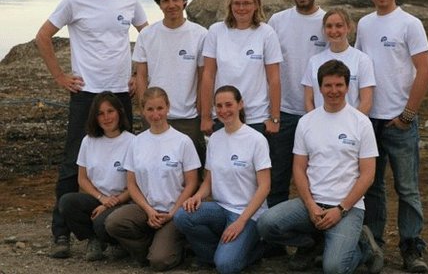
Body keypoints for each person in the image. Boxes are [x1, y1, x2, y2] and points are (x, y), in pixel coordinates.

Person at [35, 0, 148, 258]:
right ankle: (61, 234)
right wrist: (59, 76)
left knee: (127, 159)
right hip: (86, 93)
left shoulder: (130, 0)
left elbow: (147, 35)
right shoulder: (75, 0)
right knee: (74, 162)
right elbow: (43, 36)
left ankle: (110, 229)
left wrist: (139, 74)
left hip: (120, 94)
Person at [257, 60, 384, 274]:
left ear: (347, 87)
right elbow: (298, 168)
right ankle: (311, 244)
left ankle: (363, 249)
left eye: (339, 85)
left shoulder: (361, 123)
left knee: (333, 268)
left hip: (347, 207)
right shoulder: (307, 122)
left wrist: (341, 209)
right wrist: (310, 205)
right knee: (266, 224)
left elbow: (368, 174)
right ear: (319, 87)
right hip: (312, 204)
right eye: (328, 86)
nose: (333, 91)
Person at [355, 0, 428, 273]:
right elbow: (358, 67)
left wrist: (407, 115)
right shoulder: (364, 24)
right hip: (369, 121)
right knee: (372, 186)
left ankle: (412, 247)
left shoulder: (410, 24)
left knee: (407, 187)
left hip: (399, 121)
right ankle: (373, 243)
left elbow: (425, 71)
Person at [174, 85, 271, 273]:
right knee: (182, 216)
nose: (224, 110)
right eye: (219, 106)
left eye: (229, 104)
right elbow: (208, 182)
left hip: (248, 215)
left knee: (227, 266)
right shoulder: (215, 139)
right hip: (221, 209)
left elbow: (265, 187)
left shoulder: (256, 140)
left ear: (240, 105)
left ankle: (256, 249)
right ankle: (216, 253)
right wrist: (197, 197)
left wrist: (241, 221)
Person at [105, 87, 200, 271]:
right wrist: (148, 211)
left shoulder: (183, 141)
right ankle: (151, 246)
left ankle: (172, 247)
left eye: (159, 108)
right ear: (142, 111)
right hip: (146, 208)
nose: (155, 114)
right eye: (150, 109)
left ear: (167, 108)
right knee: (113, 222)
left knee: (159, 262)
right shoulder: (136, 142)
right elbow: (131, 184)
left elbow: (192, 183)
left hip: (174, 211)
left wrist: (173, 212)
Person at [267, 0, 327, 208]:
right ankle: (274, 241)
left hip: (318, 115)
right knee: (277, 178)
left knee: (317, 179)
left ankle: (312, 241)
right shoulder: (277, 21)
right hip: (283, 112)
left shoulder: (327, 23)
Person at [133, 0, 207, 164]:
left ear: (185, 1)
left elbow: (203, 76)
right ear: (158, 3)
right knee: (154, 166)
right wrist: (144, 110)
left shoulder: (200, 35)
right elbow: (141, 76)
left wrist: (201, 110)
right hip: (155, 115)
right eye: (165, 0)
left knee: (191, 170)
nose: (171, 5)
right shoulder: (147, 35)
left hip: (188, 117)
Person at [58, 91, 134, 261]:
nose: (106, 117)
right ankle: (94, 239)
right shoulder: (88, 141)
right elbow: (82, 179)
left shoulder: (133, 142)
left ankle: (116, 242)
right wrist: (101, 199)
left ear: (119, 112)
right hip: (99, 198)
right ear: (95, 117)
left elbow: (135, 185)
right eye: (100, 113)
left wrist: (111, 203)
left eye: (110, 111)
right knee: (67, 202)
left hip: (123, 200)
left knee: (102, 223)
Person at [200, 0, 282, 136]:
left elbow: (274, 78)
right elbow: (208, 75)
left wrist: (275, 118)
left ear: (256, 5)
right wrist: (205, 117)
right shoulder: (216, 31)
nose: (241, 8)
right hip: (223, 115)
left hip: (257, 118)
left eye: (247, 3)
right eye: (236, 3)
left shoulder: (266, 33)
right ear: (230, 6)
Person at [302, 7, 375, 114]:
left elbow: (366, 102)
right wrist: (315, 122)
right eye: (329, 26)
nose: (334, 31)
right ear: (324, 29)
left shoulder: (362, 60)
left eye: (339, 26)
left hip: (351, 127)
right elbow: (308, 100)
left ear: (348, 28)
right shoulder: (314, 61)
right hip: (321, 126)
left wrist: (349, 125)